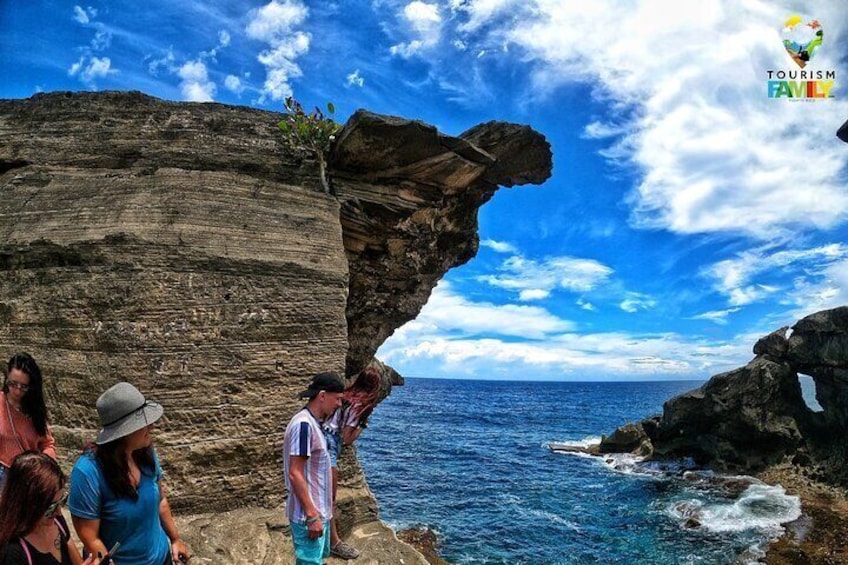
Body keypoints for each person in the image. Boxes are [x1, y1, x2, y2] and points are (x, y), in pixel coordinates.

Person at [68, 382, 189, 565]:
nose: (152, 426)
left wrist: (175, 539)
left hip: (160, 558)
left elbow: (161, 500)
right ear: (125, 432)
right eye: (144, 422)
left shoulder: (145, 453)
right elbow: (90, 537)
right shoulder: (88, 472)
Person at [283, 372, 345, 565]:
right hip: (308, 517)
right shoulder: (304, 425)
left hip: (318, 514)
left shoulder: (314, 423)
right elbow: (295, 473)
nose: (339, 405)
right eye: (337, 399)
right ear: (323, 395)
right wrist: (312, 516)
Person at [322, 368, 382, 560]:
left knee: (320, 494)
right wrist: (362, 426)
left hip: (319, 435)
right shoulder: (360, 405)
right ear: (375, 387)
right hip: (329, 445)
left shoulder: (344, 396)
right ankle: (334, 544)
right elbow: (347, 439)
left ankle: (326, 540)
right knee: (329, 499)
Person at [0, 451, 95, 565]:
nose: (59, 512)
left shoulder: (57, 523)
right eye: (51, 507)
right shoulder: (12, 552)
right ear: (27, 503)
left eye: (62, 501)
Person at [1, 353, 57, 490]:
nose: (17, 391)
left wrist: (45, 465)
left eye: (23, 386)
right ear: (6, 379)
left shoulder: (34, 410)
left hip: (29, 475)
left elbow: (47, 443)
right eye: (12, 384)